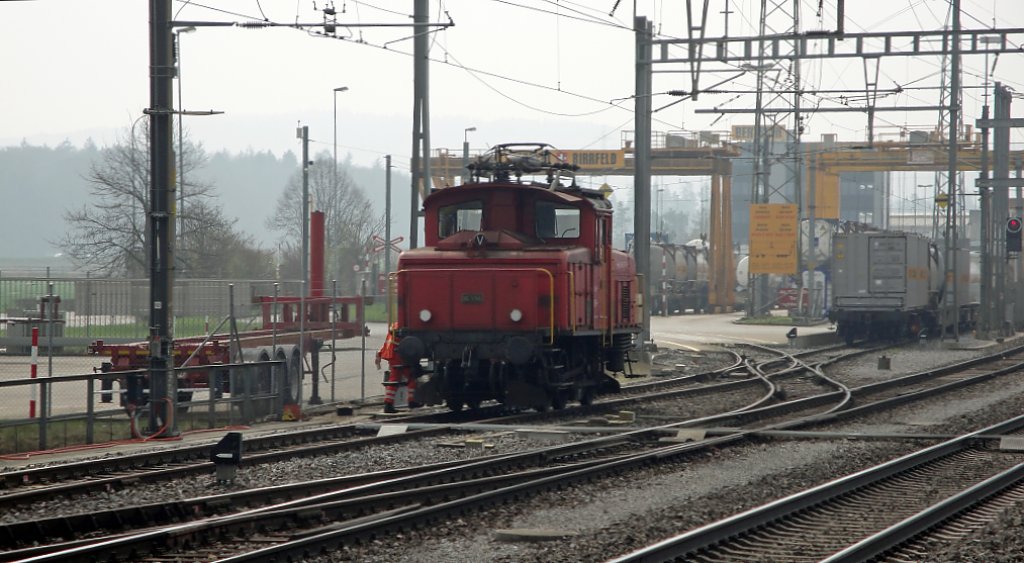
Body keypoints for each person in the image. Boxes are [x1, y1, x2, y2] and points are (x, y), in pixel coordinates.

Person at [376, 323, 419, 413]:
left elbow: (387, 343)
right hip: (400, 357)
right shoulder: (404, 326)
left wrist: (380, 354)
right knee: (412, 377)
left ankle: (388, 404)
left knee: (394, 380)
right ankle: (411, 401)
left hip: (393, 357)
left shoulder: (394, 326)